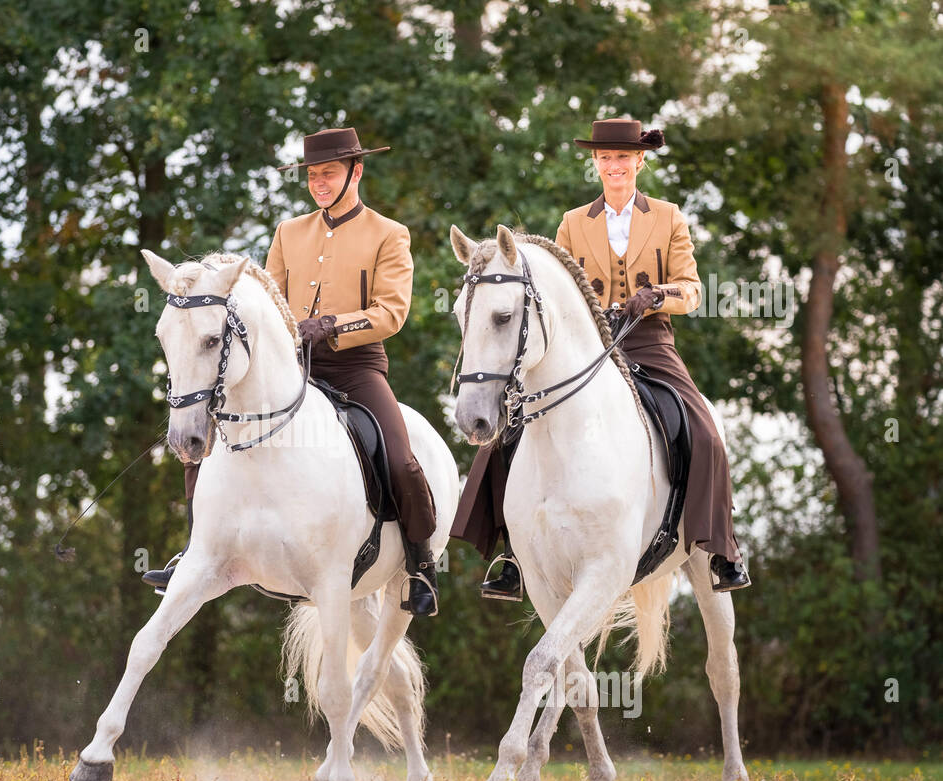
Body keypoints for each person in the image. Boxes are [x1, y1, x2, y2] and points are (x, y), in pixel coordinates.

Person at [142, 127, 441, 615]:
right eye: (313, 175)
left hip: (354, 366)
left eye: (329, 173)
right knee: (203, 439)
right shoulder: (288, 233)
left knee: (401, 459)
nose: (319, 183)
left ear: (356, 171)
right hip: (290, 366)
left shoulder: (389, 234)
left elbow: (392, 312)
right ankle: (195, 550)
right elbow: (268, 300)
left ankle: (419, 565)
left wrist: (331, 324)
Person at [451, 117, 750, 598]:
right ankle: (512, 554)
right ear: (596, 163)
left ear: (639, 162)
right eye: (607, 158)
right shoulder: (573, 222)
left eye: (624, 158)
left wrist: (656, 296)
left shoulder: (669, 217)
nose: (616, 166)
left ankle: (720, 548)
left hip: (648, 338)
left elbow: (692, 289)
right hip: (587, 343)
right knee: (512, 428)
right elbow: (556, 291)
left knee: (704, 430)